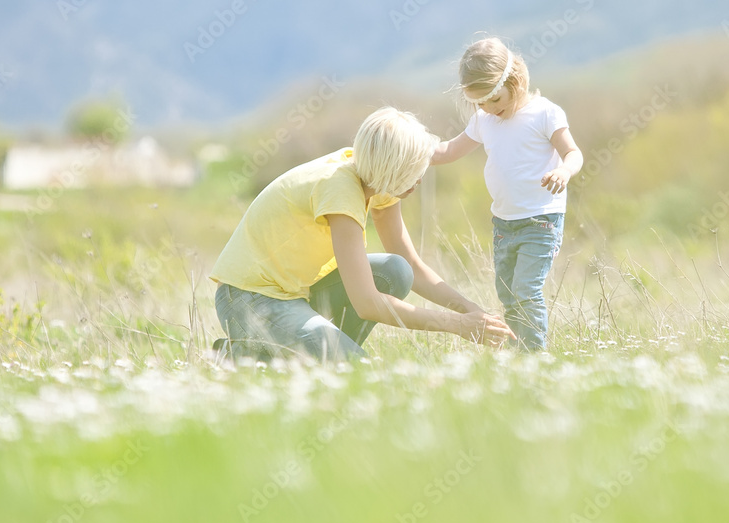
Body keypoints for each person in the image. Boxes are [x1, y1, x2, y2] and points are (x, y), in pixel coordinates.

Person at [211, 106, 513, 363]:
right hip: (249, 301)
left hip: (294, 294)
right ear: (394, 170)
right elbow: (366, 303)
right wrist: (458, 325)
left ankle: (304, 356)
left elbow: (411, 264)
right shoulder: (341, 192)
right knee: (357, 371)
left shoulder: (373, 178)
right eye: (416, 169)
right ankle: (254, 358)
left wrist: (472, 311)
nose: (422, 177)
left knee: (395, 270)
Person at [432, 37, 584, 350]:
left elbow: (574, 153)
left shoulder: (545, 113)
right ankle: (518, 353)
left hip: (541, 219)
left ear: (514, 81)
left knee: (526, 289)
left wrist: (564, 171)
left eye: (494, 98)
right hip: (504, 224)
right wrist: (409, 146)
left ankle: (533, 356)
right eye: (480, 103)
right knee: (508, 293)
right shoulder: (484, 121)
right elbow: (447, 152)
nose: (488, 108)